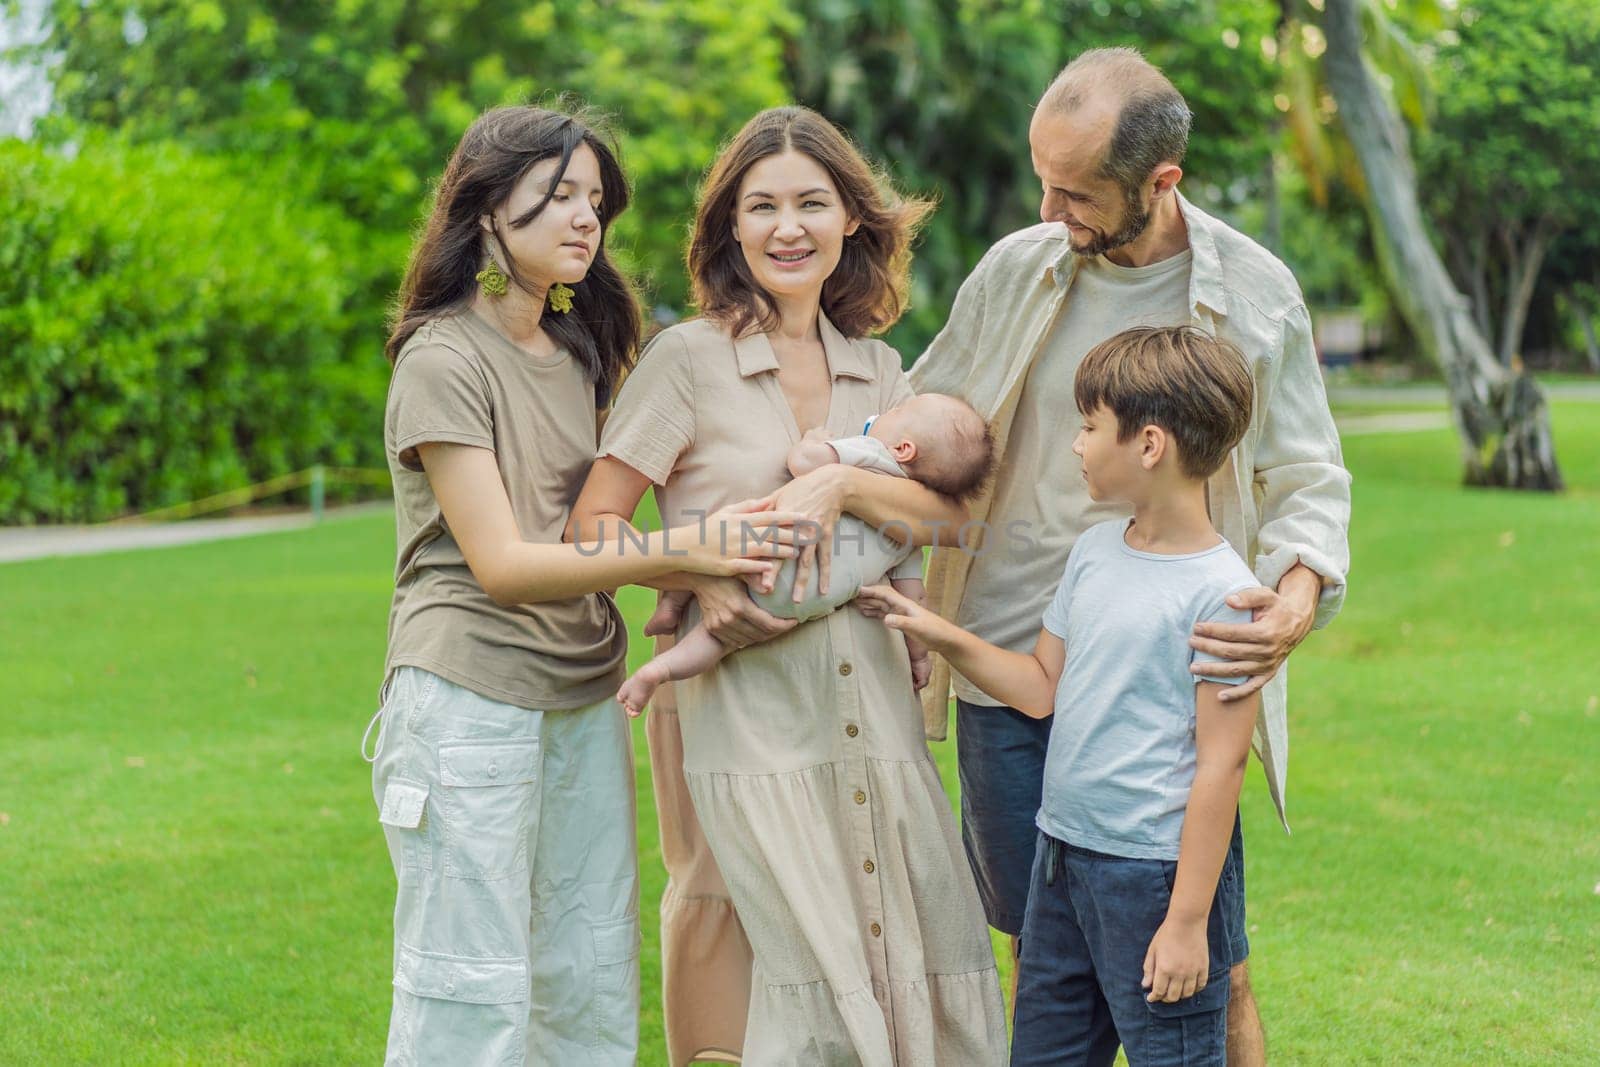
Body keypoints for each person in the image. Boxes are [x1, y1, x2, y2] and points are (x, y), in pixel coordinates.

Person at [907, 48, 1352, 1063]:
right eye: (1041, 177)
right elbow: (927, 423)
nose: (1047, 205)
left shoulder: (1253, 293)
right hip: (1012, 666)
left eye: (1076, 190)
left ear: (1161, 181)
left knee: (1215, 965)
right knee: (1041, 955)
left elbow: (1309, 479)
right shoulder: (1017, 268)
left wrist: (1289, 601)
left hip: (1167, 673)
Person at [571, 106, 1008, 1066]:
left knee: (889, 930)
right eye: (761, 205)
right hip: (739, 713)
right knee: (733, 920)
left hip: (873, 712)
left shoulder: (884, 371)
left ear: (852, 218)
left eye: (812, 202)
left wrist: (844, 482)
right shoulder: (687, 360)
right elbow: (592, 526)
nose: (787, 227)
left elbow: (947, 520)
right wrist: (693, 566)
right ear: (731, 226)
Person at [364, 105, 799, 1067]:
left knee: (589, 972)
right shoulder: (442, 359)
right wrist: (685, 549)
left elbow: (593, 529)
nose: (584, 219)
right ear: (484, 212)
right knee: (467, 986)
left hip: (581, 693)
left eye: (595, 200)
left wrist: (697, 560)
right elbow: (506, 564)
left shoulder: (574, 354)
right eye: (558, 195)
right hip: (468, 696)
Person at [863, 326, 1262, 1065]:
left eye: (1087, 427)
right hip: (1062, 859)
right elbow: (1042, 688)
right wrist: (935, 629)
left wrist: (1186, 923)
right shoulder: (1095, 552)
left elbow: (1221, 769)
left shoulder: (1226, 596)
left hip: (1151, 879)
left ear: (1149, 445)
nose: (1076, 445)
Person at [618, 391, 995, 717]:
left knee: (715, 543)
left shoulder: (868, 454)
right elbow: (912, 599)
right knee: (716, 641)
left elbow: (802, 462)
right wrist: (918, 658)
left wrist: (816, 439)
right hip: (801, 603)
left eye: (897, 413)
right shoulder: (908, 528)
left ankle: (671, 606)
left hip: (767, 553)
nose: (887, 412)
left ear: (903, 448)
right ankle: (660, 671)